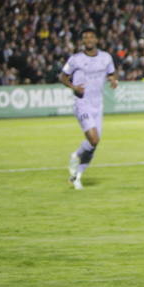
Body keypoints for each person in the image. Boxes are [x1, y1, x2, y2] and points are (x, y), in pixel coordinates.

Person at [58, 29, 117, 190]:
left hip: (98, 105)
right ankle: (76, 156)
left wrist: (113, 80)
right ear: (83, 41)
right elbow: (62, 76)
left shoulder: (106, 57)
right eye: (85, 38)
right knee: (93, 138)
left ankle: (77, 175)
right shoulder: (75, 59)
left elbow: (111, 73)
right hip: (82, 103)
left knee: (94, 143)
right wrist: (73, 87)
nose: (89, 40)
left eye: (91, 36)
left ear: (96, 39)